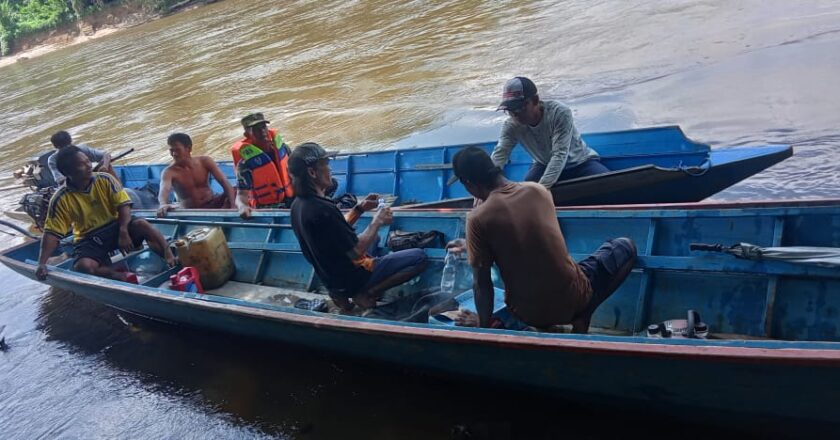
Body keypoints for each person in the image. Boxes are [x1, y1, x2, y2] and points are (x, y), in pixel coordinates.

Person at [446, 147, 636, 333]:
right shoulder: (539, 191)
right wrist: (471, 244)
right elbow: (528, 236)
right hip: (575, 299)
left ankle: (538, 324)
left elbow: (482, 284)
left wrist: (483, 325)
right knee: (626, 247)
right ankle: (585, 313)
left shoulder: (478, 218)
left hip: (527, 313)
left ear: (469, 183)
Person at [289, 142, 428, 310]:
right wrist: (377, 221)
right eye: (325, 165)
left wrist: (359, 209)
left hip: (331, 280)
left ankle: (340, 296)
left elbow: (334, 233)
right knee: (419, 257)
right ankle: (366, 293)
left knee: (374, 238)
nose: (330, 169)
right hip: (352, 278)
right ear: (312, 172)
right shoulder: (323, 209)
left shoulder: (297, 206)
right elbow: (355, 252)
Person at [35, 145, 175, 282]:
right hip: (89, 238)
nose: (89, 166)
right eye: (81, 165)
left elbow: (124, 205)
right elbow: (51, 234)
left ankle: (169, 256)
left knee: (142, 224)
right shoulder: (60, 198)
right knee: (83, 267)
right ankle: (120, 276)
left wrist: (123, 231)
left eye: (88, 161)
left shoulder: (104, 179)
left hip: (116, 226)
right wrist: (42, 263)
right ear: (67, 173)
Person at [490, 77, 610, 188]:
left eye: (520, 107)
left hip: (579, 163)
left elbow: (559, 155)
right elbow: (500, 153)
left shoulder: (559, 113)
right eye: (509, 110)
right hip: (543, 164)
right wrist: (486, 185)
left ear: (535, 100)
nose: (515, 114)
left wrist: (540, 191)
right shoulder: (511, 125)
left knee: (607, 183)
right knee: (529, 185)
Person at [231, 113, 295, 218]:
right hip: (269, 207)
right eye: (256, 129)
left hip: (291, 197)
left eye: (264, 127)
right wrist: (242, 207)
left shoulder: (283, 149)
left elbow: (297, 172)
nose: (262, 131)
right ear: (247, 135)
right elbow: (241, 195)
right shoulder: (245, 164)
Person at [156, 133, 237, 217]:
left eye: (177, 150)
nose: (174, 154)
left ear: (189, 148)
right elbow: (164, 189)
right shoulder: (169, 172)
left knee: (235, 190)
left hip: (212, 203)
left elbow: (224, 181)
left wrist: (233, 206)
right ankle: (220, 215)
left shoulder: (205, 161)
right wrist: (163, 204)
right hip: (191, 211)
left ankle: (224, 213)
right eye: (171, 150)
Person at [47, 131, 114, 185]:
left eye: (68, 145)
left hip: (89, 176)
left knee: (106, 164)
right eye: (63, 147)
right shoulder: (53, 160)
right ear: (57, 147)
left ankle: (117, 187)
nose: (67, 150)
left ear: (71, 142)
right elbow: (60, 180)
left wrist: (104, 166)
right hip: (72, 185)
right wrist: (80, 176)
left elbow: (106, 154)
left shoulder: (82, 149)